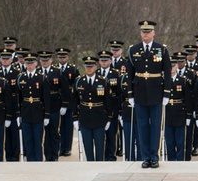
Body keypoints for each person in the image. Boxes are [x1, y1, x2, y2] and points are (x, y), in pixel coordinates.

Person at [125, 20, 171, 168]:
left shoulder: (162, 50)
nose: (146, 34)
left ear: (153, 33)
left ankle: (154, 156)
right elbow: (130, 74)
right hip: (140, 93)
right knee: (142, 126)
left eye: (148, 31)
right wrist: (130, 95)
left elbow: (168, 73)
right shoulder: (133, 50)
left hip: (156, 93)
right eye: (143, 31)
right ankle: (145, 157)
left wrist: (166, 94)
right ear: (140, 33)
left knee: (156, 126)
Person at [73, 55, 114, 162]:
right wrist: (75, 119)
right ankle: (90, 167)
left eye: (91, 66)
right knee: (88, 147)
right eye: (87, 66)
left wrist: (109, 118)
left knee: (100, 148)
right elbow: (74, 101)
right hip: (85, 118)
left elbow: (108, 101)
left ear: (96, 67)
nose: (89, 68)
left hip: (99, 118)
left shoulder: (103, 81)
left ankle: (99, 167)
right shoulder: (79, 81)